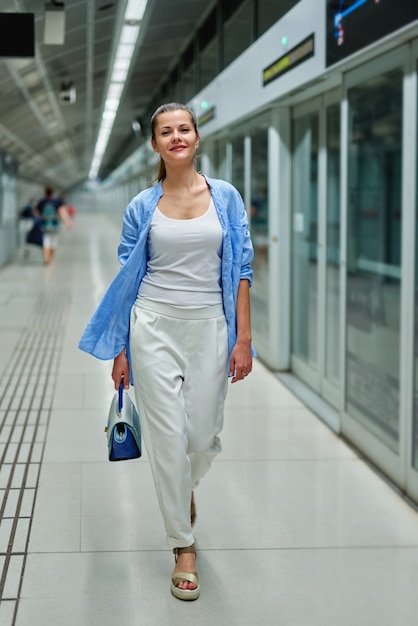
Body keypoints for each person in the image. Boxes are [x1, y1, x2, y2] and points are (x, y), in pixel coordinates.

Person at [79, 102, 255, 601]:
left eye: (184, 128)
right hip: (152, 327)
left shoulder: (225, 198)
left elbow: (241, 267)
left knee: (200, 436)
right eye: (166, 132)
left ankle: (184, 487)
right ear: (155, 145)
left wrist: (242, 338)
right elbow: (129, 278)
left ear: (197, 138)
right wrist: (122, 350)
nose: (176, 137)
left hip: (211, 328)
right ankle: (183, 545)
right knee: (167, 438)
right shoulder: (141, 206)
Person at [36, 185, 72, 264]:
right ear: (53, 193)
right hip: (54, 225)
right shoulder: (57, 202)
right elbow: (62, 213)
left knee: (46, 241)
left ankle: (46, 258)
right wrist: (67, 222)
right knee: (53, 242)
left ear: (45, 193)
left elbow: (37, 213)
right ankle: (51, 258)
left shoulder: (41, 202)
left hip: (44, 225)